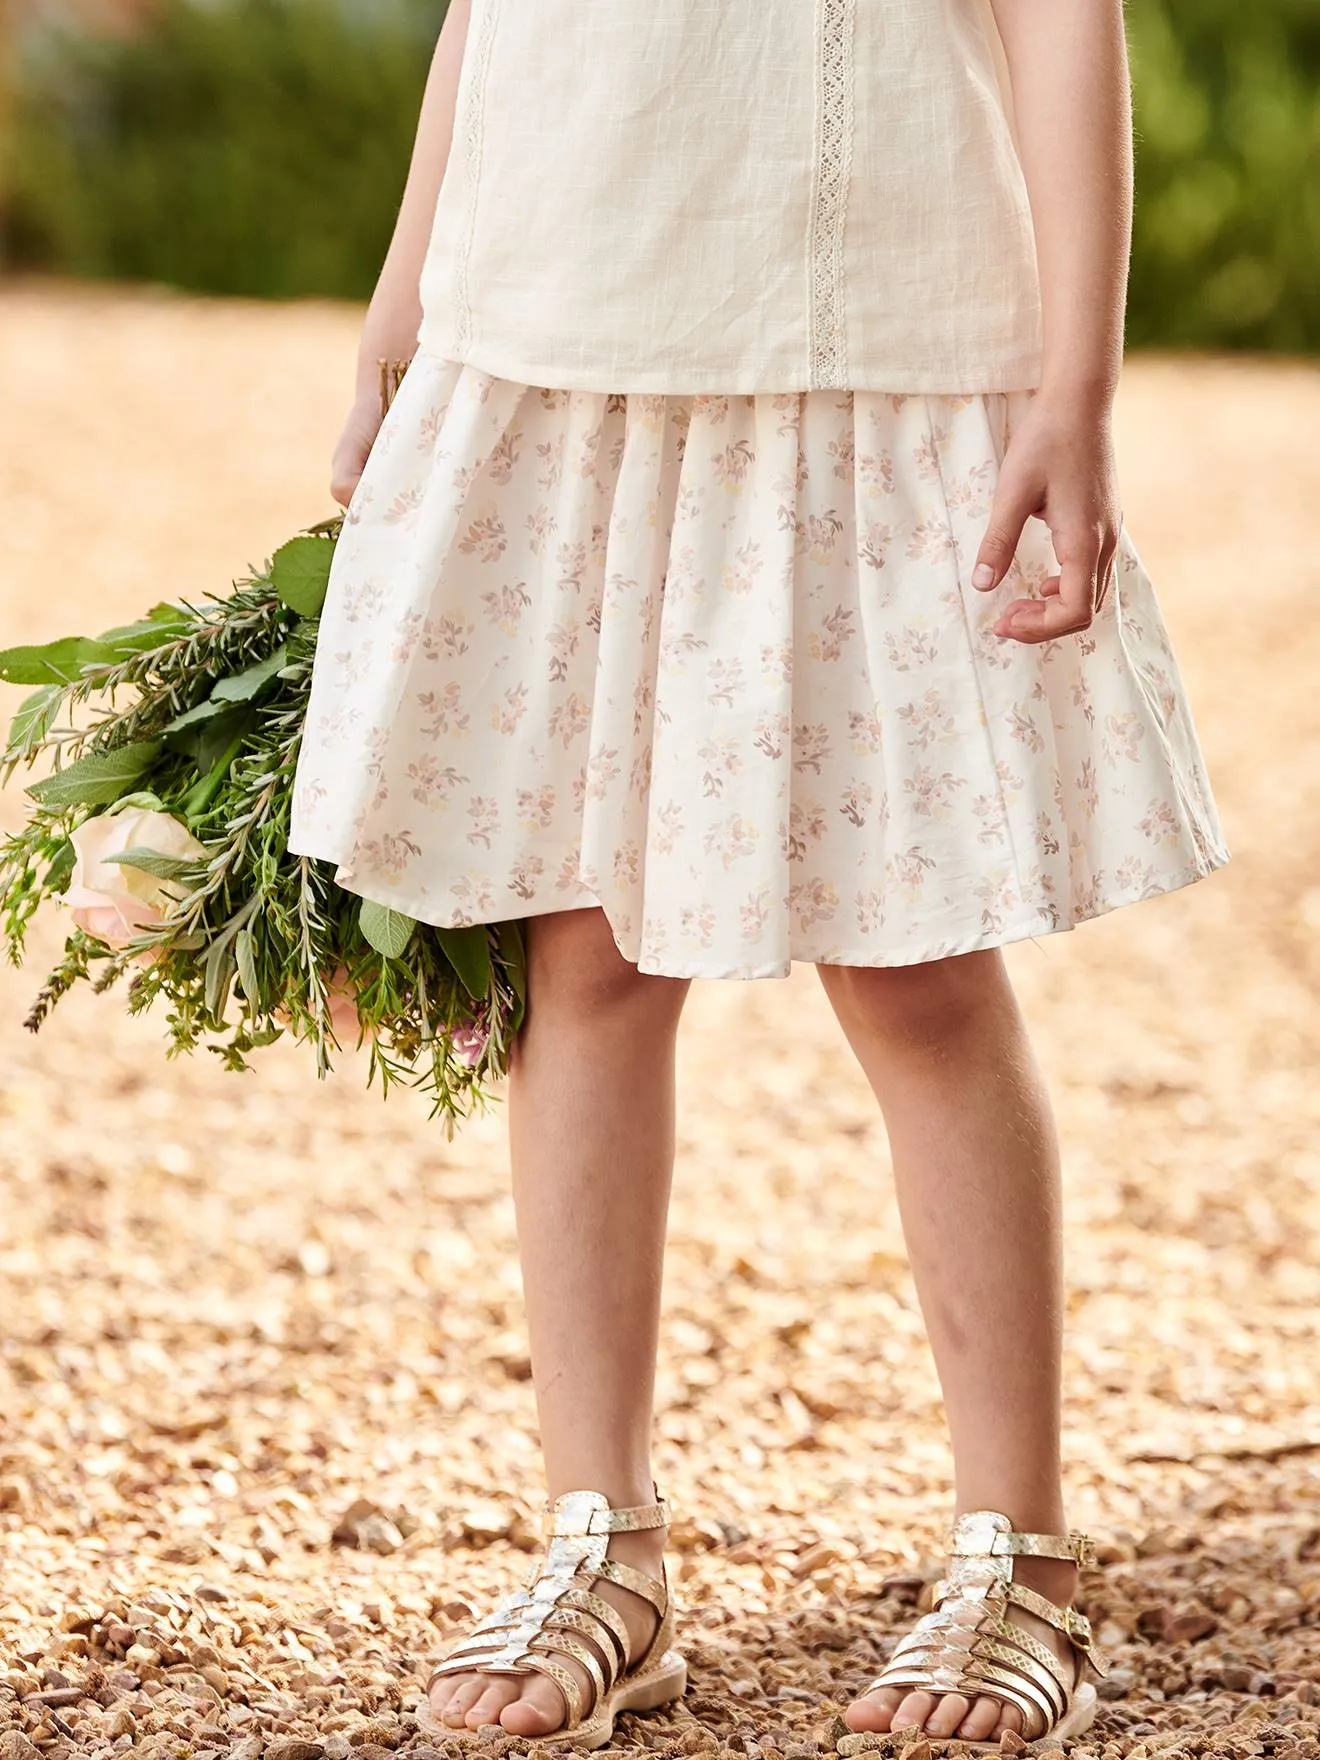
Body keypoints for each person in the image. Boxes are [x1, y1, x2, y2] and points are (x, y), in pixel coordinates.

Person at [287, 0, 1228, 1749]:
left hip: (871, 324)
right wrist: (409, 292)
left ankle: (1017, 1560)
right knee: (582, 951)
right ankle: (604, 1540)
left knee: (918, 962)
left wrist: (1073, 385)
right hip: (558, 313)